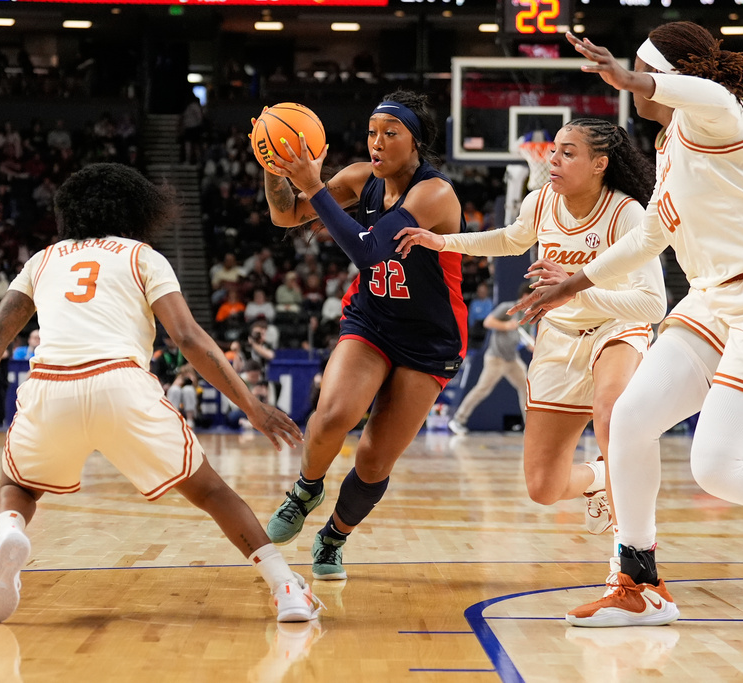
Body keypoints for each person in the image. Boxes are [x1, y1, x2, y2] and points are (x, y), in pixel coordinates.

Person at [513, 24, 743, 627]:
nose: (631, 79)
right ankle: (639, 580)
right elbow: (646, 238)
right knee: (631, 421)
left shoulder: (723, 116)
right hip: (714, 297)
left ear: (666, 74)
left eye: (642, 69)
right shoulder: (669, 149)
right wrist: (576, 280)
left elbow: (709, 94)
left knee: (715, 465)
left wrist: (632, 74)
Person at [0, 163, 317, 624]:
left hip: (51, 385)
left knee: (18, 487)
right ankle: (287, 588)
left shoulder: (42, 260)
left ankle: (9, 533)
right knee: (211, 491)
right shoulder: (142, 256)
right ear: (136, 209)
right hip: (119, 382)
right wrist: (251, 405)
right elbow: (188, 339)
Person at [397, 119, 666, 540]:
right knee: (544, 488)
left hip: (616, 329)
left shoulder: (626, 213)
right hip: (558, 340)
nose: (554, 159)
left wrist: (574, 289)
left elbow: (652, 305)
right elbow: (511, 239)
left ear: (600, 164)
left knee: (611, 413)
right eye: (554, 150)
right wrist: (443, 241)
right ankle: (598, 477)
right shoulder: (540, 201)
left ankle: (632, 554)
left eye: (568, 152)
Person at [259, 90, 467, 580]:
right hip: (372, 321)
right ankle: (306, 489)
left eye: (390, 134)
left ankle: (333, 536)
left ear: (415, 142)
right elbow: (286, 214)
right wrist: (275, 164)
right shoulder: (359, 178)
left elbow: (372, 251)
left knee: (373, 459)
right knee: (331, 416)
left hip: (430, 340)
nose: (376, 143)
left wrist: (315, 186)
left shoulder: (434, 194)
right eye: (372, 133)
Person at [447, 284, 532, 437]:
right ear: (525, 296)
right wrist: (506, 325)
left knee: (527, 389)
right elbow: (488, 322)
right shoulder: (508, 307)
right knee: (482, 389)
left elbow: (524, 338)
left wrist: (532, 344)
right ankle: (458, 420)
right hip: (496, 359)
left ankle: (530, 427)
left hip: (512, 359)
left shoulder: (527, 315)